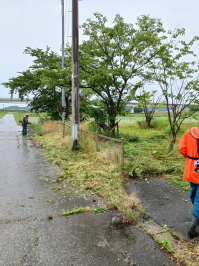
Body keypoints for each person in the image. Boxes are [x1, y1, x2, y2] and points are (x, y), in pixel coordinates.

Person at [179, 127, 199, 238]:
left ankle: (195, 219)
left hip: (192, 170)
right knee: (198, 199)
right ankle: (192, 228)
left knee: (194, 193)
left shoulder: (190, 132)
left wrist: (191, 159)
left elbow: (182, 148)